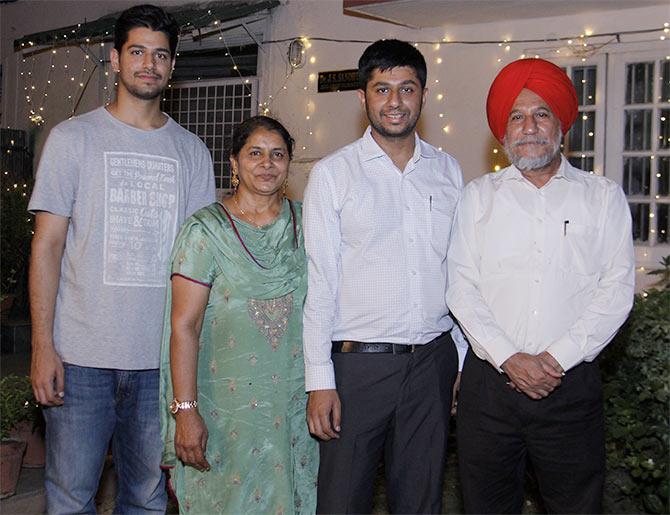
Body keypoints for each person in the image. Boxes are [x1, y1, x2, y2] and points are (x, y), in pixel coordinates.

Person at [28, 5, 215, 513]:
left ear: (172, 66)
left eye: (160, 55)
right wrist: (43, 345)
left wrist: (194, 370)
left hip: (159, 364)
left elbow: (202, 266)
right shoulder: (72, 139)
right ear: (115, 59)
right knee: (70, 498)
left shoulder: (191, 152)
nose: (148, 64)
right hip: (80, 359)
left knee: (149, 498)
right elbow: (46, 246)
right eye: (137, 52)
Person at [446, 58, 635, 513]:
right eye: (516, 116)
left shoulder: (602, 197)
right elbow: (460, 287)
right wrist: (510, 358)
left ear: (561, 125)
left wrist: (555, 359)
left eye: (541, 113)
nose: (529, 126)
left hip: (569, 389)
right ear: (503, 132)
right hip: (489, 389)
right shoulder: (478, 197)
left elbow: (616, 291)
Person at [303, 39, 467, 514]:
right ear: (363, 98)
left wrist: (456, 359)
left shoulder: (448, 171)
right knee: (342, 500)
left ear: (423, 94)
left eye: (406, 88)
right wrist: (320, 379)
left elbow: (454, 271)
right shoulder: (334, 174)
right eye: (382, 89)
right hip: (357, 369)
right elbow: (321, 282)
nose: (395, 101)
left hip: (431, 365)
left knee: (421, 500)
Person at [159, 115, 318, 514]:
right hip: (225, 413)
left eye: (278, 154)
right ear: (233, 162)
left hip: (296, 410)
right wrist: (186, 412)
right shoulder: (204, 230)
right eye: (255, 153)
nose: (267, 163)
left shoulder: (310, 223)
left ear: (288, 163)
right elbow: (184, 325)